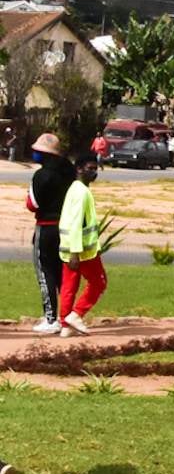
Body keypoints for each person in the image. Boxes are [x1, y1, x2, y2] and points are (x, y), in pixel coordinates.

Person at [23, 133, 76, 336]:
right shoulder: (68, 172)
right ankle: (67, 314)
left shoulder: (42, 175)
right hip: (65, 227)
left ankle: (51, 318)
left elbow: (32, 204)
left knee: (45, 272)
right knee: (62, 273)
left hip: (46, 226)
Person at [57, 156, 106, 335]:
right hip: (82, 251)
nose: (93, 173)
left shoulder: (74, 189)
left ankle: (65, 325)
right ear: (79, 169)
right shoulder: (81, 192)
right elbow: (76, 222)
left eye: (95, 169)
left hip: (70, 247)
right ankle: (76, 314)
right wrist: (75, 252)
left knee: (69, 286)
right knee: (99, 283)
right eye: (90, 168)